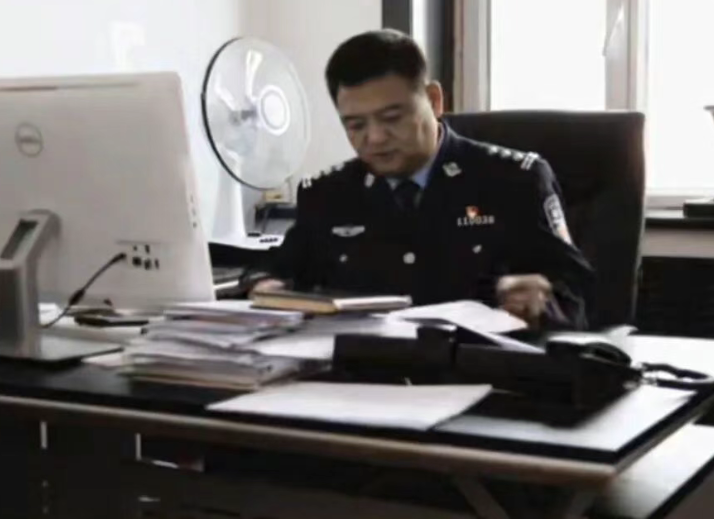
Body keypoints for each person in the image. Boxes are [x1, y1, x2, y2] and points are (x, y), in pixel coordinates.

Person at [248, 29, 594, 330]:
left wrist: (540, 304)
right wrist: (267, 286)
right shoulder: (328, 195)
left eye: (392, 118)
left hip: (478, 370)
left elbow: (578, 300)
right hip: (361, 373)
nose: (375, 138)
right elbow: (276, 272)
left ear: (433, 100)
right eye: (356, 125)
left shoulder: (513, 181)